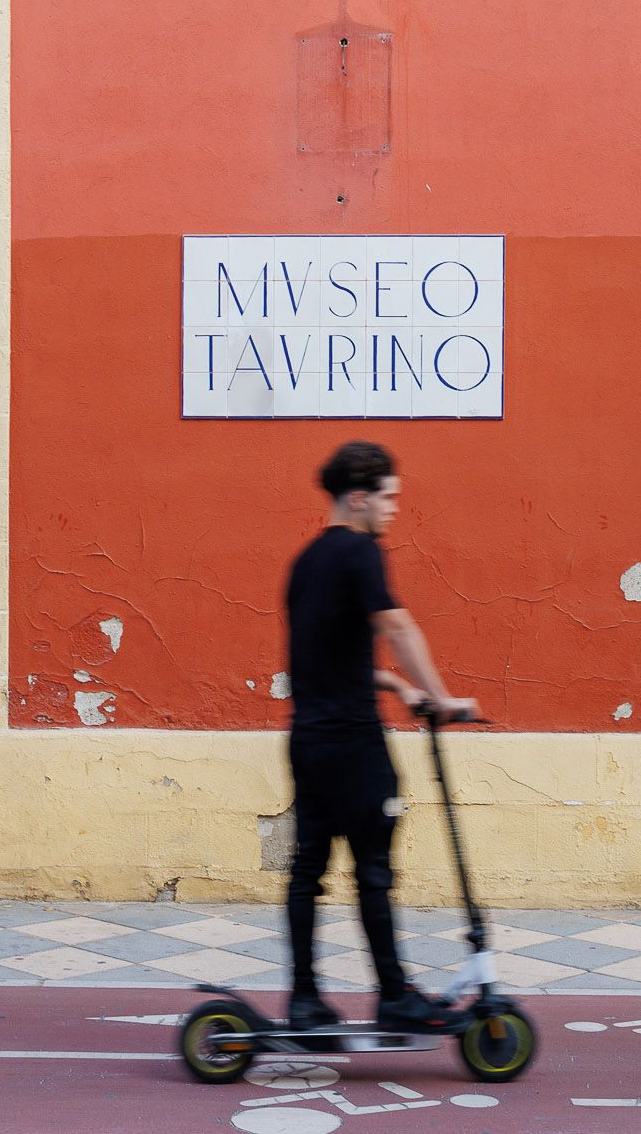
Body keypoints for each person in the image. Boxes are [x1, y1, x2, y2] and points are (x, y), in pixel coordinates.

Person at [281, 441, 480, 1032]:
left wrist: (395, 687)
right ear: (359, 497)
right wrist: (442, 698)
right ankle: (394, 995)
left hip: (310, 743)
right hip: (353, 745)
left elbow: (324, 660)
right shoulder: (361, 553)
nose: (394, 510)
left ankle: (305, 999)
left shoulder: (308, 561)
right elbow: (395, 624)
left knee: (308, 870)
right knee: (373, 868)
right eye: (388, 498)